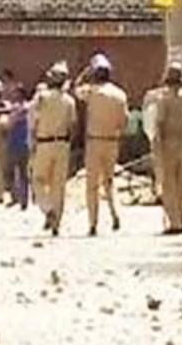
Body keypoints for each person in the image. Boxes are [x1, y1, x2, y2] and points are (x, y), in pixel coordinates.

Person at [74, 54, 129, 236]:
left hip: (95, 141)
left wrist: (84, 74)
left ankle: (93, 223)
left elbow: (75, 89)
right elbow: (124, 121)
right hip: (112, 141)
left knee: (92, 185)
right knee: (110, 182)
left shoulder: (91, 92)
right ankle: (115, 214)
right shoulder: (120, 94)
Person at [32, 62, 77, 236]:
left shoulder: (42, 97)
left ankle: (48, 209)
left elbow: (34, 120)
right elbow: (73, 126)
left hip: (44, 143)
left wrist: (33, 140)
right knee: (58, 185)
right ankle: (56, 223)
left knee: (38, 180)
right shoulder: (69, 101)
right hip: (62, 144)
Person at [155, 62, 182, 235]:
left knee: (169, 185)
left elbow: (160, 124)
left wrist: (157, 147)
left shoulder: (164, 99)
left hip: (168, 144)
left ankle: (174, 222)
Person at [7, 86, 31, 209]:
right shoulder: (17, 108)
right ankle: (17, 197)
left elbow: (10, 122)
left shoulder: (26, 107)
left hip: (22, 143)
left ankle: (23, 199)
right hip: (16, 143)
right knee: (15, 172)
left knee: (22, 173)